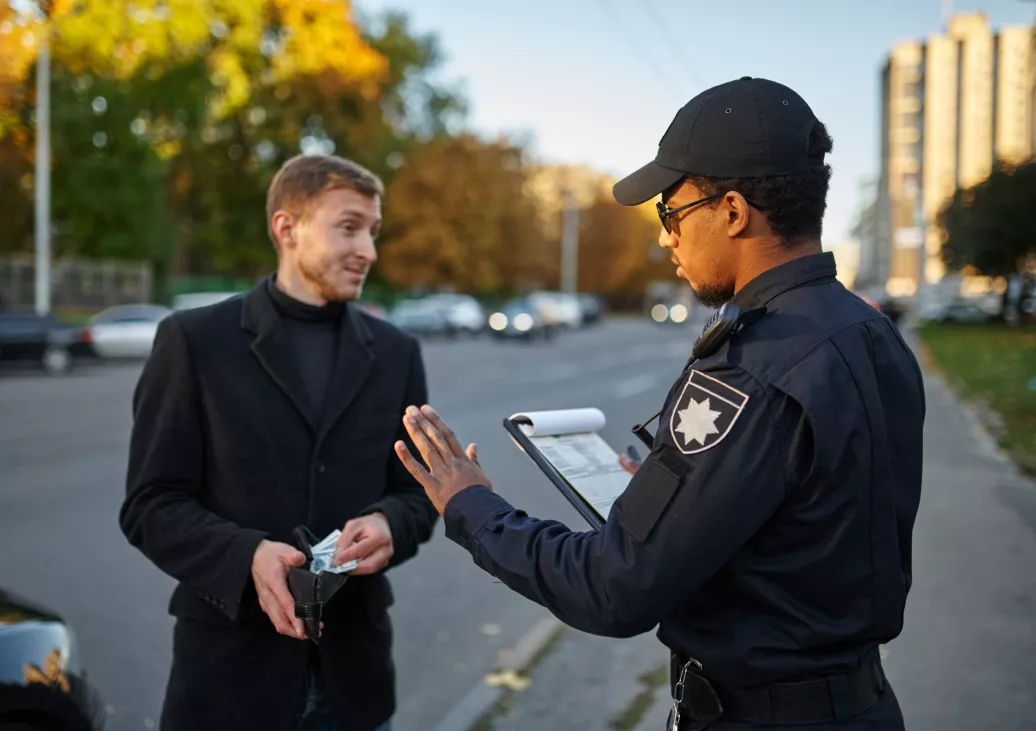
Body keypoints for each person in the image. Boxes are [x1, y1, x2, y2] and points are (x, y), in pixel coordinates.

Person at [393, 77, 924, 731]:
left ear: (733, 211)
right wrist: (681, 498)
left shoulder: (750, 367)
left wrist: (471, 505)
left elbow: (614, 587)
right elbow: (810, 521)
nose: (666, 238)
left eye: (672, 213)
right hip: (860, 702)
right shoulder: (869, 333)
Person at [120, 154, 437, 731]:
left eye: (372, 230)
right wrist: (246, 556)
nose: (368, 249)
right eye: (349, 226)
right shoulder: (194, 341)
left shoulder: (396, 354)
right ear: (286, 228)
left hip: (354, 681)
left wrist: (393, 523)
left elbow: (415, 496)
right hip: (227, 680)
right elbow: (150, 504)